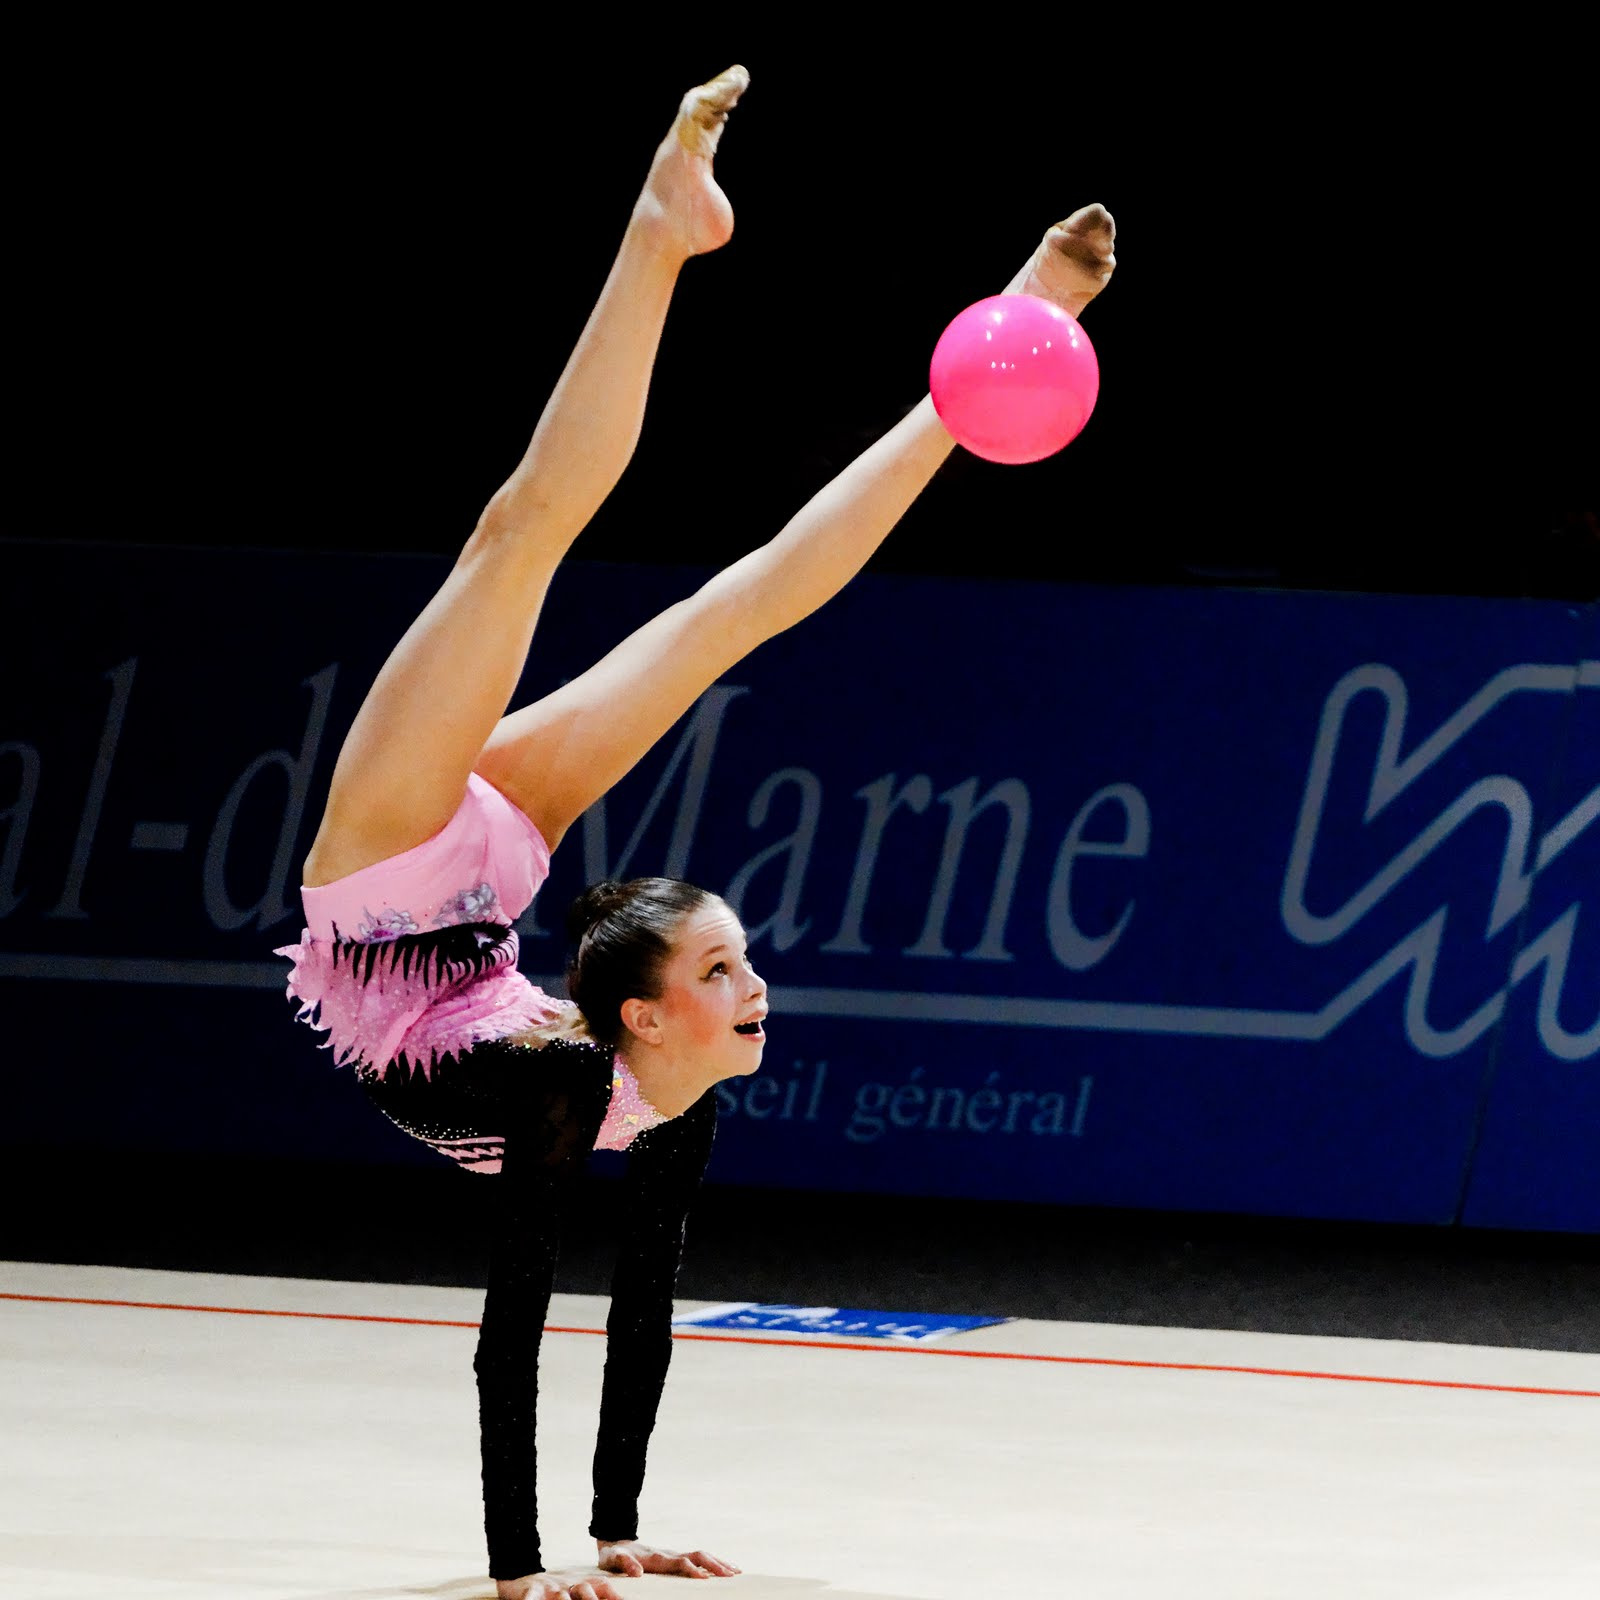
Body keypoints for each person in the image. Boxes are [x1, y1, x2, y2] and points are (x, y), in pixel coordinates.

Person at [277, 62, 1116, 1600]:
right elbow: (573, 1313)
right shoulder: (640, 1068)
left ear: (646, 1015)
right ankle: (742, 256)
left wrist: (590, 1541)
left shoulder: (581, 1081)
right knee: (685, 593)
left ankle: (768, 269)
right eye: (733, 971)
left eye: (729, 973)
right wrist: (538, 1564)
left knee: (548, 545)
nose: (755, 990)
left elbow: (555, 1310)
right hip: (476, 891)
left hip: (384, 883)